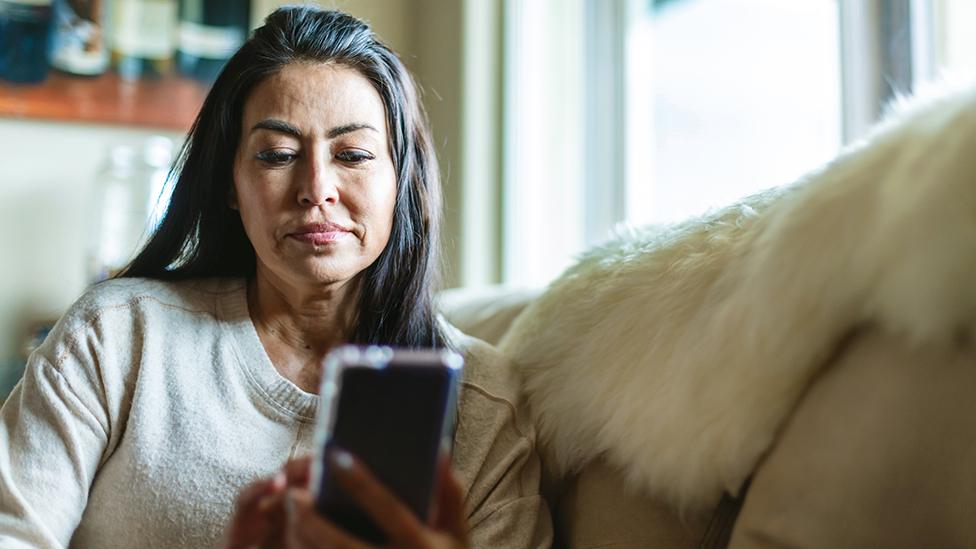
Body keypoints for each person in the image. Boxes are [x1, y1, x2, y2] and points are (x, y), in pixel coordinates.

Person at [0, 6, 552, 548]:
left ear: (401, 184)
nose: (317, 187)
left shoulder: (480, 402)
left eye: (354, 154)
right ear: (229, 185)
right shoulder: (118, 335)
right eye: (278, 154)